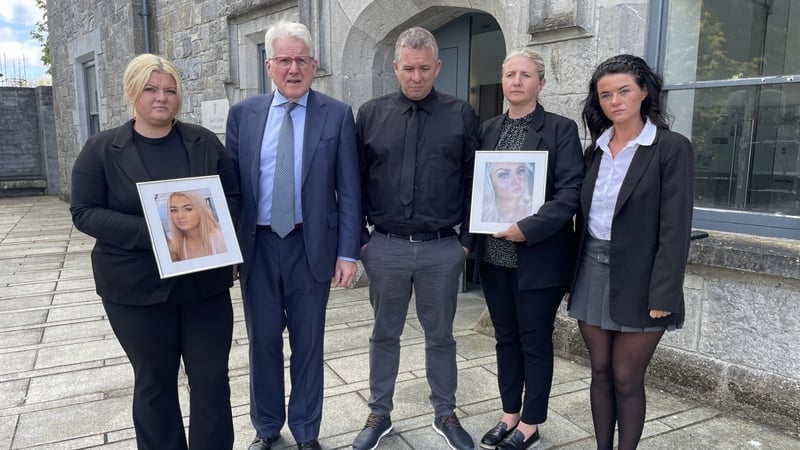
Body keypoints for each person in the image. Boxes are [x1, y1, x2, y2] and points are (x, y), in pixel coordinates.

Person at [70, 53, 240, 450]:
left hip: (204, 286)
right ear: (132, 93)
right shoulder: (101, 150)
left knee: (211, 378)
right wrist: (158, 232)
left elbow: (232, 197)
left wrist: (225, 246)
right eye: (150, 89)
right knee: (155, 381)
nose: (161, 98)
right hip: (135, 289)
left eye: (169, 90)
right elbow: (84, 212)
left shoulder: (204, 142)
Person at [225, 20, 361, 450]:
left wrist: (348, 253)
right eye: (284, 60)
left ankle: (306, 431)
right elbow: (230, 191)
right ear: (269, 65)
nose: (293, 68)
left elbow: (350, 189)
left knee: (308, 345)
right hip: (257, 248)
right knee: (262, 343)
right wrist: (226, 248)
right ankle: (266, 428)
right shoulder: (242, 116)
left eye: (301, 59)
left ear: (314, 65)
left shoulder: (336, 115)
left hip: (311, 247)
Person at [352, 26, 480, 450]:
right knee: (383, 334)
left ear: (438, 66)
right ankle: (378, 413)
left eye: (425, 68)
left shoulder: (461, 114)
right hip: (384, 246)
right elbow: (353, 181)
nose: (417, 77)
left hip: (441, 248)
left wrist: (465, 242)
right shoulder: (369, 114)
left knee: (440, 335)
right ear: (395, 67)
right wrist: (361, 241)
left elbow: (473, 181)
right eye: (408, 68)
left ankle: (445, 413)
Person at [568, 54, 694, 450]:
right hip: (591, 270)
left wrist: (664, 293)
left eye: (624, 91)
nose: (614, 101)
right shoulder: (595, 152)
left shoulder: (670, 148)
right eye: (605, 94)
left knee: (626, 376)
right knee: (600, 372)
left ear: (643, 92)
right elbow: (581, 221)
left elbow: (675, 230)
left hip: (643, 279)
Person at [470, 48, 584, 450]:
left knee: (534, 340)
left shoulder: (560, 129)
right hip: (495, 258)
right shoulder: (487, 129)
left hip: (538, 256)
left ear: (541, 82)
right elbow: (477, 191)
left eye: (525, 75)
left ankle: (531, 423)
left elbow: (571, 193)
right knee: (505, 338)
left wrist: (528, 228)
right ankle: (508, 414)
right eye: (510, 74)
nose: (516, 81)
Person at [166, 190, 227, 261]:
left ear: (201, 210)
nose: (180, 216)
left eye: (188, 209)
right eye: (174, 210)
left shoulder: (222, 237)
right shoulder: (176, 247)